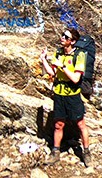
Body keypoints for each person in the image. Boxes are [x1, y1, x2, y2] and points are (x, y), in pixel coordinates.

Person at [39, 27, 92, 167]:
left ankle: (86, 153)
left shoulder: (79, 55)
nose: (62, 38)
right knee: (58, 124)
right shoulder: (59, 52)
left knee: (80, 124)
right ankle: (55, 152)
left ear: (73, 41)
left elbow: (75, 78)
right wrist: (43, 60)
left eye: (66, 37)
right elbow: (52, 73)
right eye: (62, 35)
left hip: (73, 94)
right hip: (59, 93)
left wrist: (62, 65)